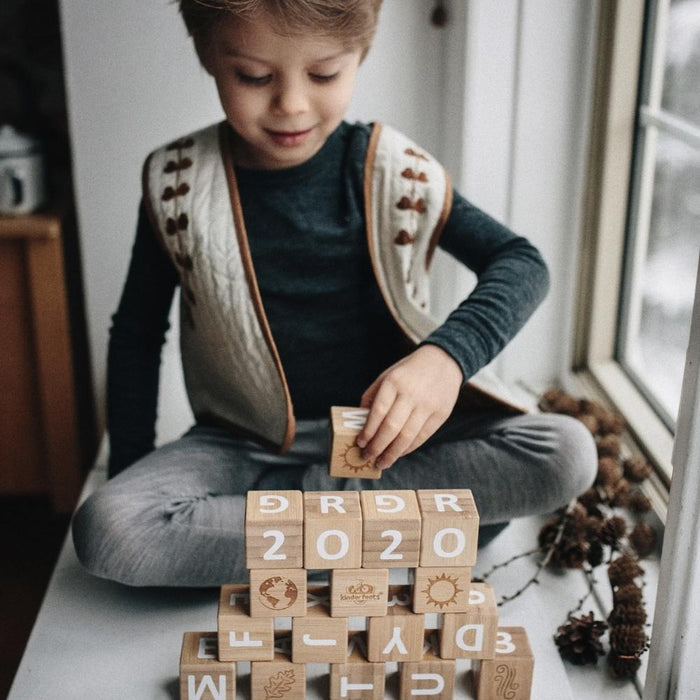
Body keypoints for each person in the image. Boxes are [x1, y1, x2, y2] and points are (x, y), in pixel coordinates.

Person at [72, 0, 596, 587]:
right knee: (110, 528)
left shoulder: (394, 168)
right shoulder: (176, 181)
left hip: (389, 444)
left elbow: (521, 262)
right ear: (207, 54)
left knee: (567, 452)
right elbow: (138, 336)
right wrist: (130, 473)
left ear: (361, 53)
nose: (291, 104)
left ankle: (303, 529)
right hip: (244, 448)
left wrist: (445, 359)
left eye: (323, 75)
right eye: (254, 76)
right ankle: (413, 532)